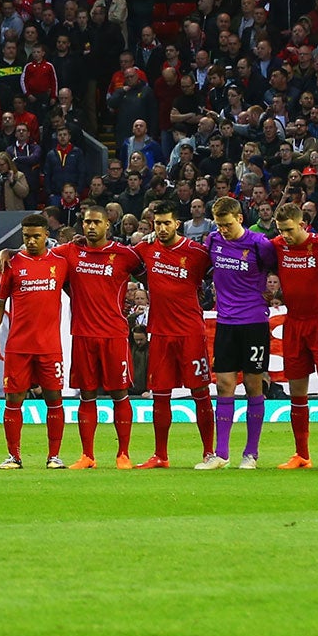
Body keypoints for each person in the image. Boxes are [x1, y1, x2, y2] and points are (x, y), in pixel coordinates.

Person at [56, 203, 139, 468]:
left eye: (96, 222)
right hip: (82, 334)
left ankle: (123, 454)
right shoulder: (70, 251)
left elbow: (149, 276)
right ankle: (87, 455)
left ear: (107, 225)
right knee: (86, 394)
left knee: (119, 394)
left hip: (114, 334)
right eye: (87, 222)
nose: (91, 226)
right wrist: (9, 251)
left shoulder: (124, 255)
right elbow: (40, 257)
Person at [132, 199, 213, 468]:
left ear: (178, 224)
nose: (163, 228)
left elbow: (213, 276)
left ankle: (208, 453)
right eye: (158, 223)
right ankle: (161, 455)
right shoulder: (145, 248)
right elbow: (123, 260)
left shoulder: (197, 252)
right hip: (161, 333)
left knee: (200, 391)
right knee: (161, 393)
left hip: (190, 331)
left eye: (167, 223)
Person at [0, 215, 69, 470]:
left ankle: (54, 456)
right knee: (13, 400)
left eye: (36, 236)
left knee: (54, 398)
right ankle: (14, 457)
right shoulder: (11, 264)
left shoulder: (62, 262)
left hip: (49, 346)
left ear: (46, 236)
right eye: (26, 237)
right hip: (18, 346)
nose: (31, 241)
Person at [201, 195, 275, 469]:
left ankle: (251, 453)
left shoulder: (259, 245)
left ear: (240, 219)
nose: (223, 230)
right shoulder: (213, 241)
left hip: (254, 322)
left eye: (228, 224)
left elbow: (278, 266)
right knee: (223, 385)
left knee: (254, 385)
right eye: (219, 224)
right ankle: (221, 454)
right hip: (226, 323)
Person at [270, 202, 318, 470]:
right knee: (296, 391)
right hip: (294, 323)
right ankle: (302, 455)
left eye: (289, 230)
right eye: (281, 230)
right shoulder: (277, 245)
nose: (285, 235)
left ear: (302, 225)